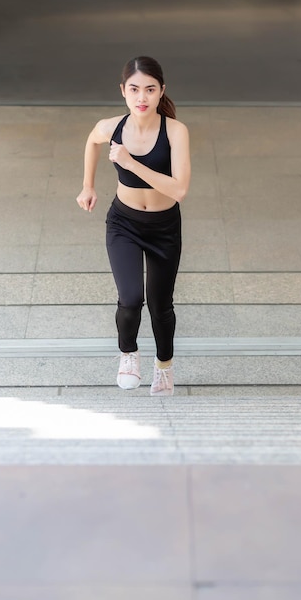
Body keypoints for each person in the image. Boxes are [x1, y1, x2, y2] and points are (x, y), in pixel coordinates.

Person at [76, 56, 191, 395]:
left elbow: (179, 189)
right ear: (123, 91)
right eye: (135, 89)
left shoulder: (176, 131)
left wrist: (129, 162)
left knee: (160, 305)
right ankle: (128, 354)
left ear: (161, 92)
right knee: (129, 298)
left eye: (150, 89)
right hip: (124, 222)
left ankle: (164, 367)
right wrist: (88, 185)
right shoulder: (111, 127)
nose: (142, 97)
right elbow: (91, 140)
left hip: (164, 226)